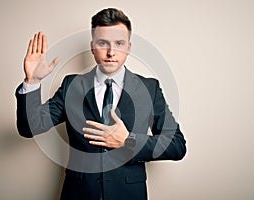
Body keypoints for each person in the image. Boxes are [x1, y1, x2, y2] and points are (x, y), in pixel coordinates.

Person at [15, 8, 186, 200]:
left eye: (119, 44)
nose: (111, 52)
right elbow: (29, 128)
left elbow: (177, 145)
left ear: (129, 47)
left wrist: (128, 141)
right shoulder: (72, 85)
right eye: (103, 43)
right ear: (92, 47)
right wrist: (32, 82)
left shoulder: (149, 88)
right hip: (79, 194)